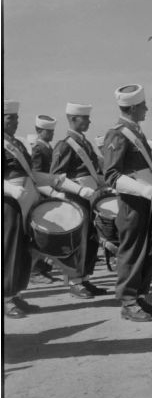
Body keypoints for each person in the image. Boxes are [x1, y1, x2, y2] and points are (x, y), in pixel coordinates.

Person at [3, 100, 85, 318]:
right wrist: (9, 189)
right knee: (9, 250)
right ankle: (6, 299)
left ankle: (15, 294)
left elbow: (31, 174)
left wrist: (54, 180)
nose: (15, 121)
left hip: (26, 201)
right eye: (10, 118)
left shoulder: (17, 144)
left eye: (16, 117)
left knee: (23, 251)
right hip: (9, 204)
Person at [104, 84, 152, 321]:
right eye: (142, 106)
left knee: (145, 251)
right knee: (131, 251)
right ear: (131, 108)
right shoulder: (118, 134)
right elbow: (112, 176)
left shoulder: (136, 133)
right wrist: (143, 189)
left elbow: (142, 169)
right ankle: (128, 302)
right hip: (132, 203)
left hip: (145, 201)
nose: (147, 109)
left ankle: (139, 296)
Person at [51, 103, 108, 299]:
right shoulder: (65, 145)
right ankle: (74, 282)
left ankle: (84, 278)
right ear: (73, 119)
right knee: (78, 239)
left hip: (90, 197)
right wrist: (78, 189)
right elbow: (56, 177)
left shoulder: (85, 143)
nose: (89, 121)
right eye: (85, 118)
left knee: (90, 239)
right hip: (76, 198)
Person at [29, 114, 58, 283]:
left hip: (49, 194)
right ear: (39, 131)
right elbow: (38, 176)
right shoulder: (38, 150)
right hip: (44, 195)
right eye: (48, 131)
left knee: (48, 236)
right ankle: (34, 271)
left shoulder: (48, 147)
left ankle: (41, 268)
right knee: (40, 236)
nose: (52, 134)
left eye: (52, 131)